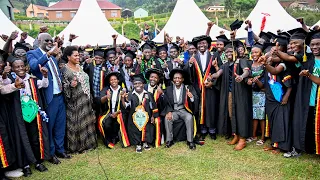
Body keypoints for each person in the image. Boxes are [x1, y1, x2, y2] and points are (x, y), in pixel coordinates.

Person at [27, 33, 71, 164]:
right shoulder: (32, 54)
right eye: (47, 40)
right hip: (48, 97)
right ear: (39, 40)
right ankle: (51, 153)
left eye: (51, 40)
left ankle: (60, 149)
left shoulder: (52, 56)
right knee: (49, 126)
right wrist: (49, 54)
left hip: (59, 96)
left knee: (60, 125)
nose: (50, 42)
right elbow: (34, 67)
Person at [9, 58, 50, 176]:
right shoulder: (10, 81)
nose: (20, 69)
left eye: (22, 66)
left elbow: (44, 84)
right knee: (22, 139)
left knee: (34, 138)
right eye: (17, 67)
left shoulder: (31, 79)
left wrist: (45, 76)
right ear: (13, 68)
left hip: (32, 114)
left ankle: (37, 162)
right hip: (18, 116)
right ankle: (26, 165)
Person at [211, 41, 252, 150]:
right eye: (226, 52)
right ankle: (236, 135)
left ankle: (242, 139)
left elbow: (246, 71)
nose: (228, 53)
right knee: (231, 114)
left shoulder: (241, 61)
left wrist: (242, 77)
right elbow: (218, 73)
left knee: (241, 115)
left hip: (240, 93)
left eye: (230, 51)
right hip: (229, 94)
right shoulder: (225, 65)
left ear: (235, 52)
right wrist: (211, 77)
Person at [60, 46, 97, 153]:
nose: (78, 57)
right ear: (68, 57)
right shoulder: (65, 70)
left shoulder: (79, 67)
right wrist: (71, 85)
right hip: (75, 102)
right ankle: (77, 147)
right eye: (75, 55)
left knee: (86, 121)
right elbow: (64, 89)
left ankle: (88, 145)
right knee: (77, 123)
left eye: (78, 55)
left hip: (86, 99)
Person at [259, 43, 293, 155]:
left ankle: (282, 146)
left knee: (281, 122)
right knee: (273, 121)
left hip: (281, 98)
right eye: (273, 51)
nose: (274, 54)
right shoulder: (272, 62)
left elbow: (275, 72)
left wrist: (287, 95)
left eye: (277, 52)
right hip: (271, 98)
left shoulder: (284, 64)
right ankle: (274, 144)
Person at [291, 30, 320, 157]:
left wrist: (308, 74)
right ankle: (309, 148)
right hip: (309, 97)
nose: (314, 47)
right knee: (308, 124)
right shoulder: (308, 60)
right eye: (312, 45)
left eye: (318, 44)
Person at [189, 35, 220, 141]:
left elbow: (219, 71)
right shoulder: (194, 57)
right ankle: (202, 130)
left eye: (204, 43)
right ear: (197, 46)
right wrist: (189, 64)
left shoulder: (214, 55)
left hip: (210, 87)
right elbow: (189, 74)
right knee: (200, 108)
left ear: (208, 45)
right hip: (198, 88)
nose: (202, 45)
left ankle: (212, 130)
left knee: (211, 108)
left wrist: (213, 83)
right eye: (199, 44)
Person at [122, 74, 160, 153]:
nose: (137, 85)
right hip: (134, 118)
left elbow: (153, 106)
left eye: (139, 83)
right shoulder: (130, 95)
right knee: (135, 129)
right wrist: (122, 99)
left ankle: (145, 143)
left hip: (147, 117)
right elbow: (126, 106)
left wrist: (153, 116)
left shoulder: (149, 94)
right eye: (135, 84)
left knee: (147, 128)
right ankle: (138, 144)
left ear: (143, 84)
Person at [164, 69, 198, 149]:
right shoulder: (168, 89)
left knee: (189, 117)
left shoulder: (188, 88)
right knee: (167, 118)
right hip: (174, 111)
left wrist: (191, 97)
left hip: (184, 110)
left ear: (182, 79)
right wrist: (168, 111)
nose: (177, 80)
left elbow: (195, 99)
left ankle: (190, 141)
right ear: (172, 79)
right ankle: (169, 140)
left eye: (179, 78)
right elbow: (166, 102)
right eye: (175, 78)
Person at [98, 72, 130, 148]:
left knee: (117, 124)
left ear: (118, 80)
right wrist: (106, 97)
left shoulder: (123, 90)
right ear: (109, 82)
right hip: (109, 112)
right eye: (111, 80)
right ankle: (109, 139)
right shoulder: (106, 89)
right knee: (106, 124)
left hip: (120, 112)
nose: (113, 81)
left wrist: (118, 112)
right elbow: (100, 101)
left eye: (115, 79)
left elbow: (126, 105)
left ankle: (116, 137)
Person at [246, 43, 266, 146]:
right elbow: (248, 77)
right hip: (252, 93)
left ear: (261, 53)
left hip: (262, 94)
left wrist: (256, 81)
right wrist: (249, 81)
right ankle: (253, 135)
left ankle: (262, 137)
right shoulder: (250, 64)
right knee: (254, 115)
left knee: (261, 116)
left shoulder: (264, 65)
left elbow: (263, 84)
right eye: (252, 52)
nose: (254, 54)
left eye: (256, 52)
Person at [144, 68, 167, 147]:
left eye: (155, 78)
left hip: (156, 113)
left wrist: (162, 94)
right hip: (144, 112)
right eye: (151, 77)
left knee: (158, 121)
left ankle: (156, 140)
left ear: (158, 80)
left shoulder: (160, 90)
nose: (153, 79)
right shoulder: (143, 87)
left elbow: (163, 104)